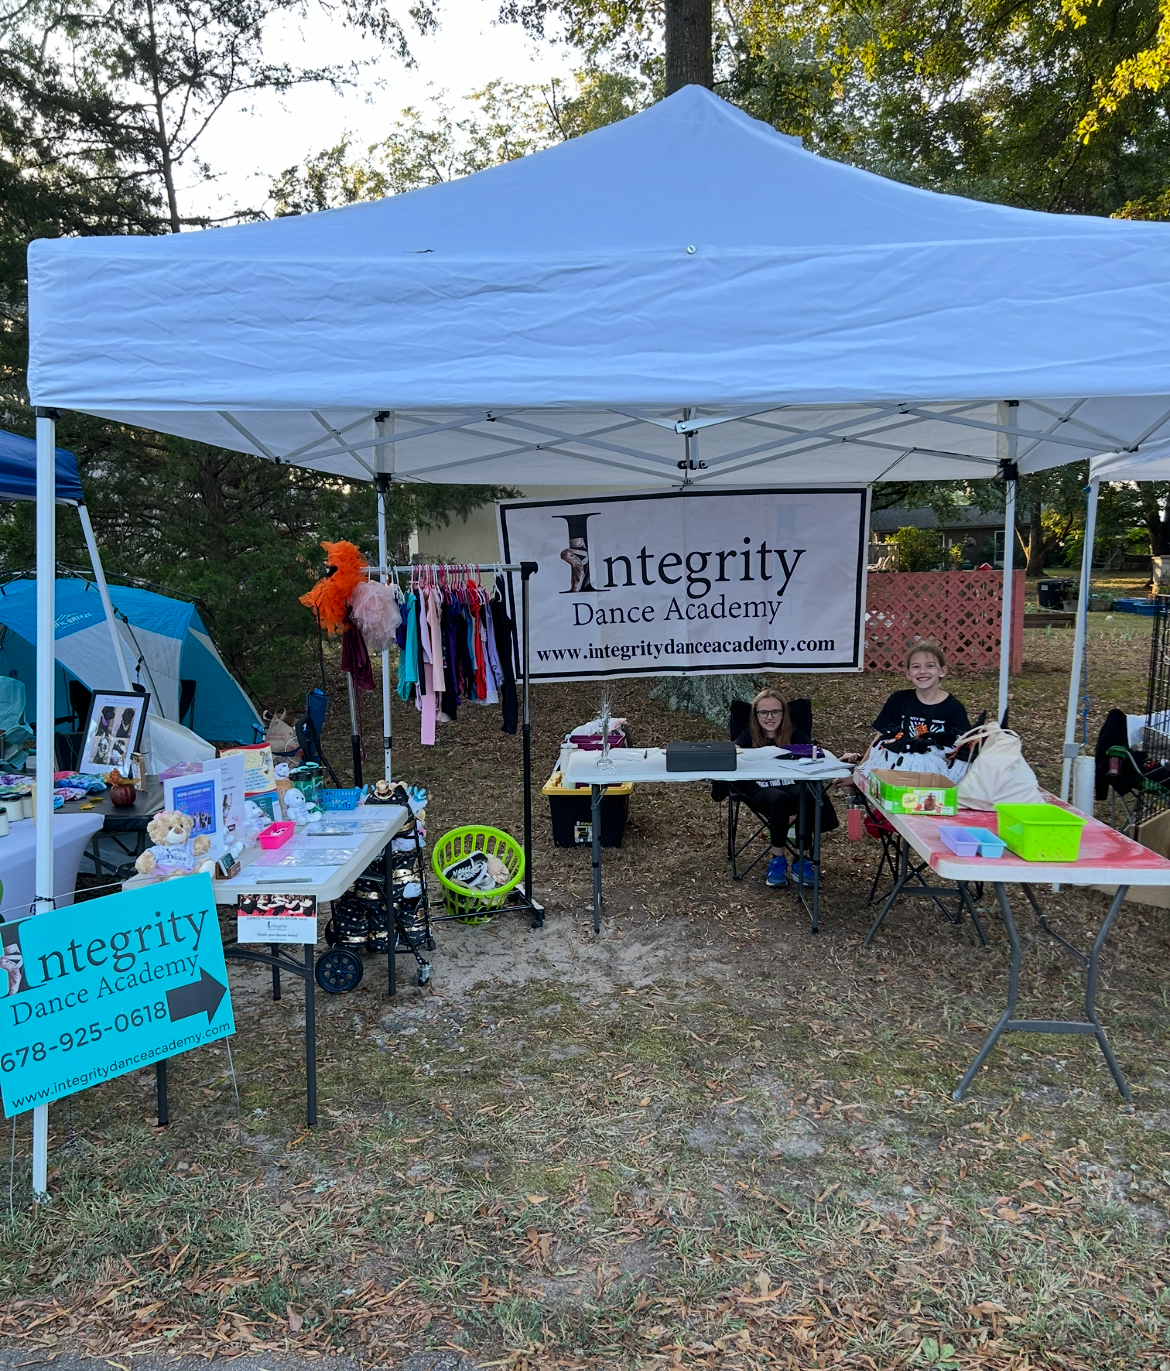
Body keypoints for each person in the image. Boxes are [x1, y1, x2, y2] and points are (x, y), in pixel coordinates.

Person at [733, 686, 838, 889]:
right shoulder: (748, 734)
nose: (769, 717)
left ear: (783, 713)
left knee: (808, 793)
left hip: (791, 785)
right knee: (779, 798)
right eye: (763, 712)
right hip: (761, 789)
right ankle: (778, 861)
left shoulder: (794, 733)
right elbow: (734, 750)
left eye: (775, 712)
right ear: (755, 715)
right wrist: (736, 750)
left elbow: (815, 753)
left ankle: (801, 860)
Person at [853, 642, 971, 772]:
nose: (922, 671)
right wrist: (859, 772)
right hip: (895, 772)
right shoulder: (898, 700)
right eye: (916, 667)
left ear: (942, 671)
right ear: (908, 673)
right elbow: (879, 740)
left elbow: (962, 751)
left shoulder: (954, 707)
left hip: (935, 776)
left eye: (930, 666)